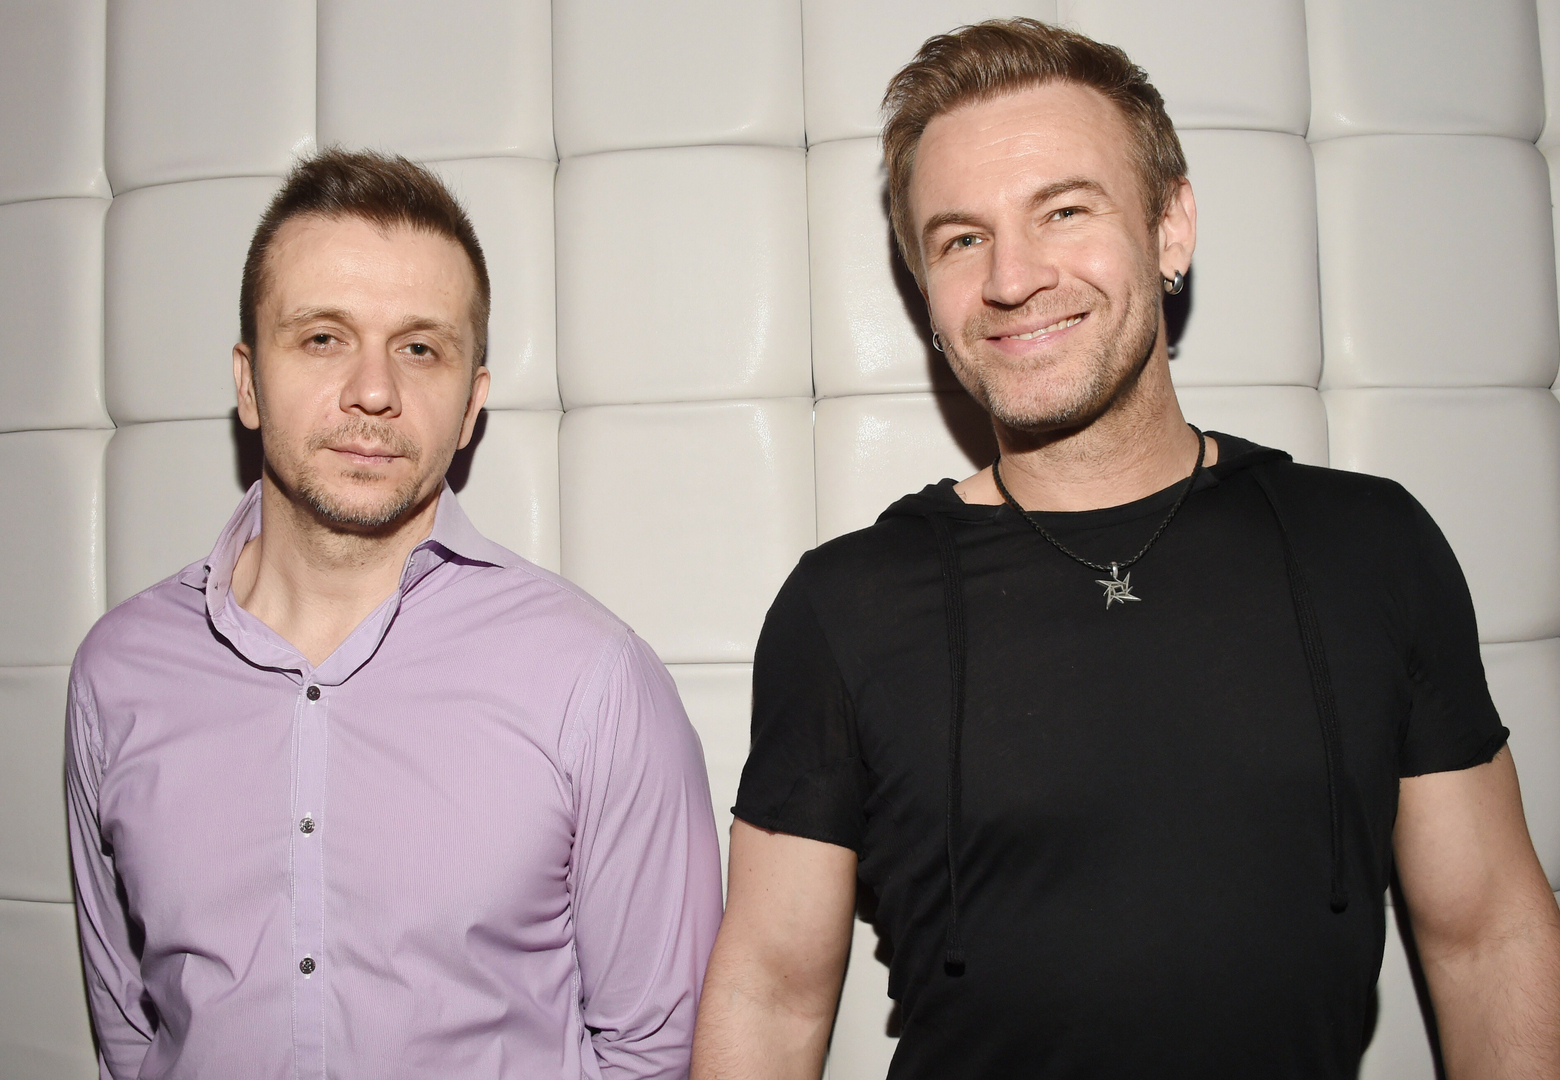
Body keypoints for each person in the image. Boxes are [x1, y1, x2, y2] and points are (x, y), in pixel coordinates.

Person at [692, 18, 1560, 1080]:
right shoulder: (845, 606)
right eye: (961, 239)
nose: (1012, 277)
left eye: (1064, 210)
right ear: (925, 287)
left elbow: (1490, 936)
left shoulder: (1371, 546)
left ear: (1170, 227)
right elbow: (770, 994)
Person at [66, 148, 722, 1079]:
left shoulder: (594, 682)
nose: (373, 391)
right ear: (248, 383)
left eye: (420, 348)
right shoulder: (118, 672)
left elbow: (656, 1050)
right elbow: (131, 1037)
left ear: (471, 405)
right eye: (322, 337)